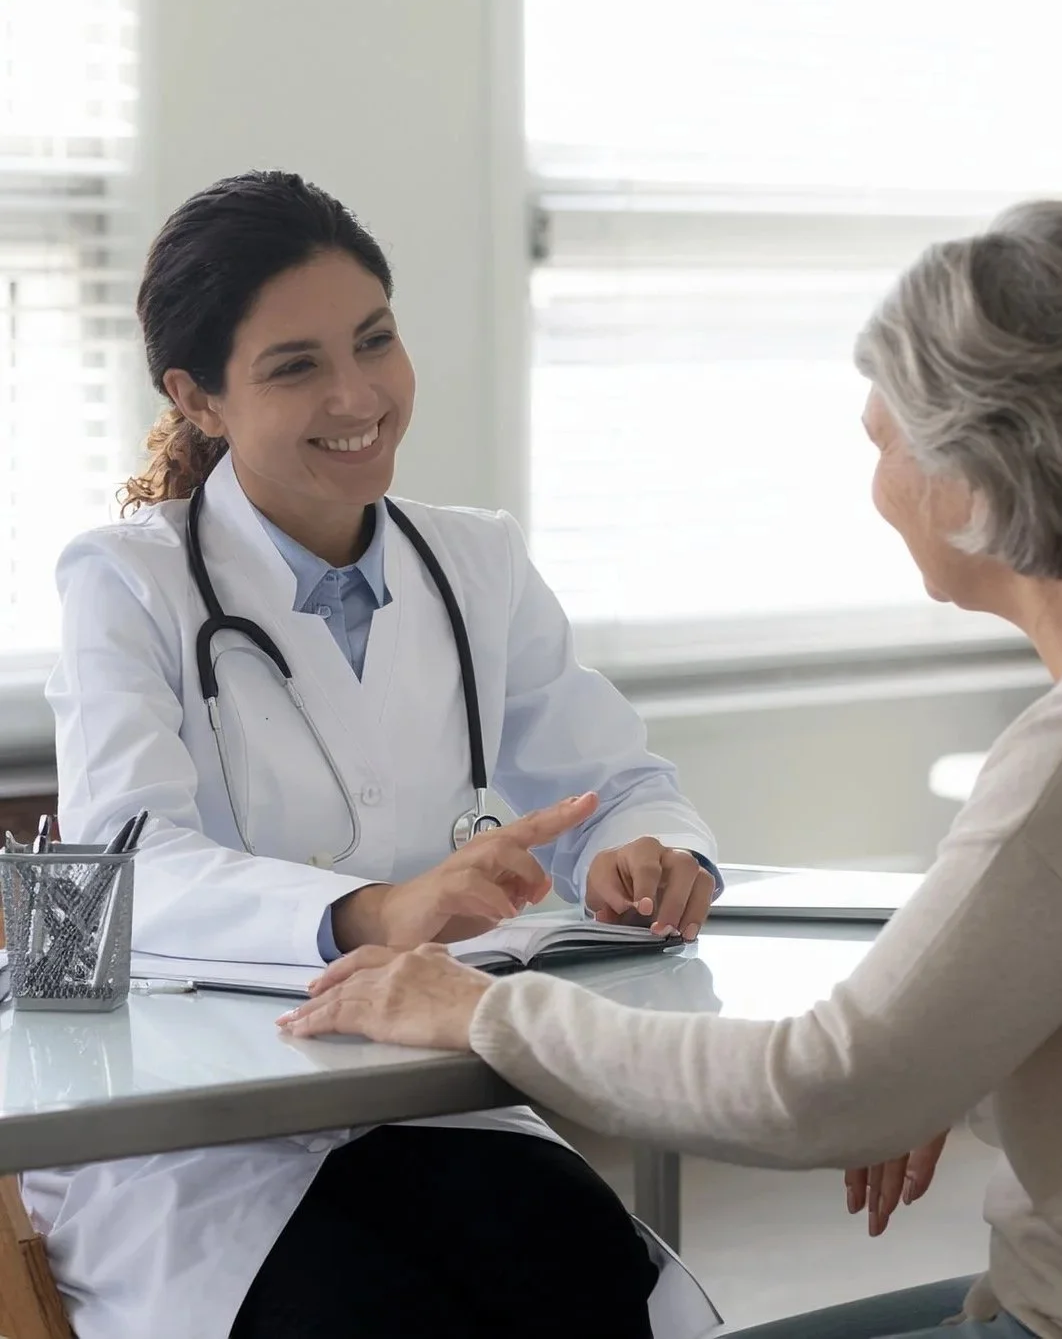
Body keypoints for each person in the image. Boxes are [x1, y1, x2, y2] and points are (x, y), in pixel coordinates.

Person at [284, 200, 1062, 1339]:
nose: (877, 481)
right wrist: (934, 1064)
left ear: (982, 470)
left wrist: (484, 1009)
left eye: (886, 441)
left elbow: (815, 1090)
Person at [37, 170, 722, 1339]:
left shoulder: (478, 563)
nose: (358, 394)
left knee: (582, 1275)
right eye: (295, 365)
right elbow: (131, 864)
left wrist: (642, 850)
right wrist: (373, 911)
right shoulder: (126, 582)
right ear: (198, 398)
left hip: (428, 1091)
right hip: (198, 1127)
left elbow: (616, 783)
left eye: (375, 340)